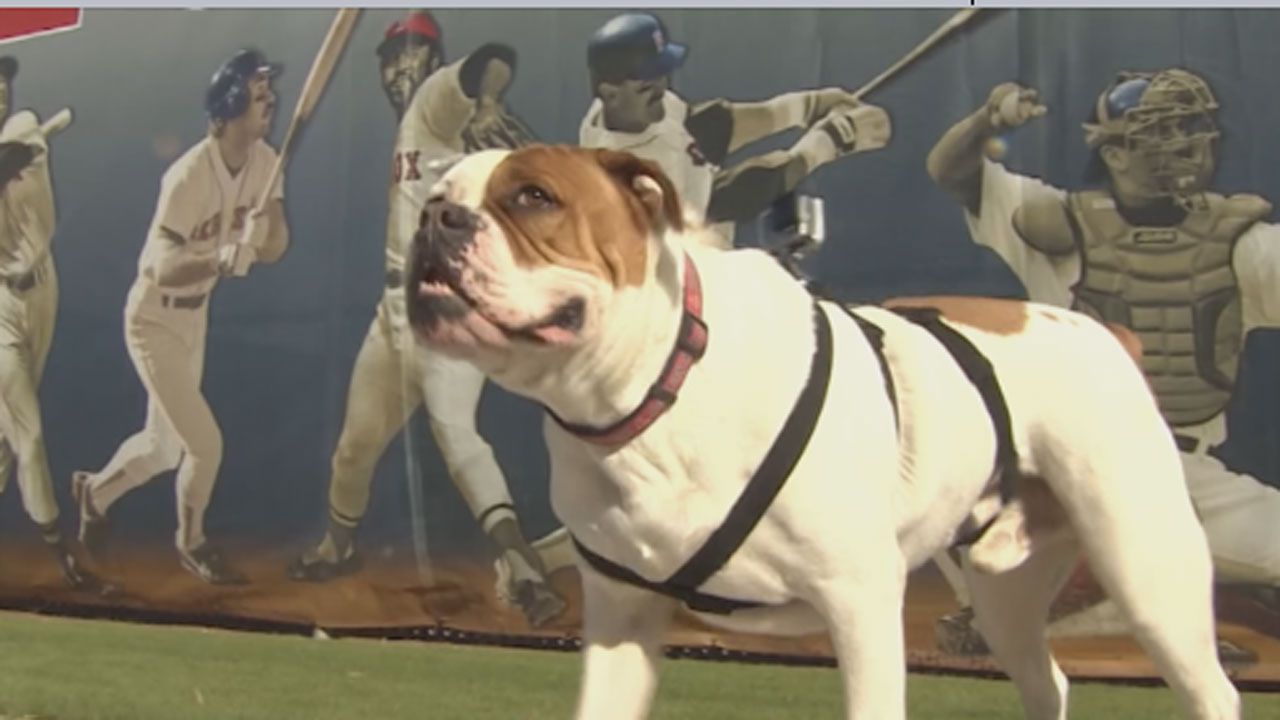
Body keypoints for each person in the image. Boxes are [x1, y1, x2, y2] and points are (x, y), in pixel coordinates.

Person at [925, 68, 1280, 654]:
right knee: (945, 475)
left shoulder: (1243, 242)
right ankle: (1028, 600)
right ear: (1114, 151)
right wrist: (987, 122)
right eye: (1164, 131)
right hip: (1067, 464)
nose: (1187, 145)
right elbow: (951, 170)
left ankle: (1151, 593)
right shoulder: (1054, 220)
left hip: (1180, 470)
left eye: (1193, 129)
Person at [285, 10, 565, 629]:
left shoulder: (435, 102)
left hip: (447, 310)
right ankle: (338, 545)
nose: (396, 69)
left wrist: (486, 92)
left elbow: (493, 55)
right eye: (390, 60)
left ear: (432, 62)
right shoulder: (416, 124)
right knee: (355, 447)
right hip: (392, 316)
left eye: (409, 55)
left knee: (457, 434)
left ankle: (522, 565)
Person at [72, 49, 291, 585]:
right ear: (231, 106)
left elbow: (280, 243)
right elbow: (159, 264)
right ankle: (192, 542)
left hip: (196, 318)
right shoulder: (189, 174)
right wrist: (218, 257)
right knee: (205, 444)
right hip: (154, 318)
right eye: (259, 96)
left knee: (164, 448)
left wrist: (260, 243)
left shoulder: (267, 161)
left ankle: (94, 494)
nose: (271, 104)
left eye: (269, 95)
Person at [579, 11, 892, 246]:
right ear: (610, 92)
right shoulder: (634, 168)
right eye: (648, 84)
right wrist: (833, 140)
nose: (662, 88)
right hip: (686, 268)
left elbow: (707, 124)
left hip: (690, 208)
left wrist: (805, 106)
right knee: (751, 186)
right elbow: (736, 196)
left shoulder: (628, 109)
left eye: (662, 74)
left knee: (710, 122)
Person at [0, 54, 101, 591]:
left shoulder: (22, 125)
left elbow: (11, 152)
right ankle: (62, 553)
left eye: (2, 83)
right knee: (29, 435)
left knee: (6, 433)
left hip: (43, 289)